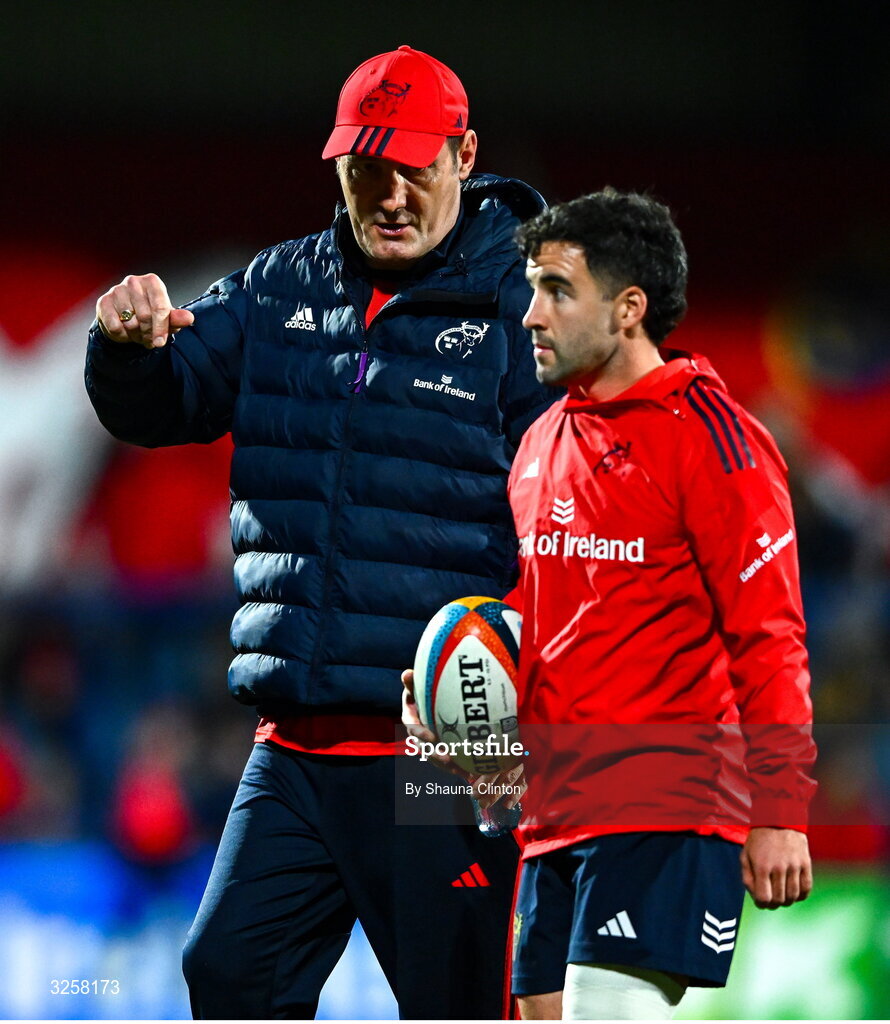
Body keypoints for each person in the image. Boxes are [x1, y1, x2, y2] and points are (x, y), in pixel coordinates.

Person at [84, 45, 555, 1020]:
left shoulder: (525, 305)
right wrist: (125, 351)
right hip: (294, 745)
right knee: (228, 976)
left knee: (464, 1002)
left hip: (442, 755)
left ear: (463, 157)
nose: (386, 194)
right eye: (362, 169)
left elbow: (571, 501)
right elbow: (160, 401)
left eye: (412, 167)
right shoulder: (275, 287)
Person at [504, 189, 817, 1020]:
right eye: (531, 286)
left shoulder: (716, 439)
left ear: (628, 308)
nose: (531, 314)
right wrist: (458, 688)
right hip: (553, 816)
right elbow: (536, 620)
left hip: (668, 802)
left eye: (557, 290)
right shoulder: (540, 444)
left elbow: (771, 637)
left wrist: (781, 811)